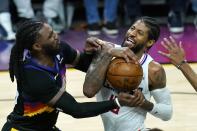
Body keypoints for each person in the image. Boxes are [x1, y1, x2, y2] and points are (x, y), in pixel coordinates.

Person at [1, 19, 141, 131]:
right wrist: (117, 102)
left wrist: (89, 52)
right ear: (37, 46)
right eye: (50, 36)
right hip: (22, 129)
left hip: (46, 127)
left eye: (53, 31)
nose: (56, 36)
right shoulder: (35, 78)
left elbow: (85, 65)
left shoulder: (59, 48)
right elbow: (77, 110)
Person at [83, 16, 173, 131]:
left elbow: (167, 113)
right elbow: (88, 91)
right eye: (132, 28)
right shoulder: (107, 51)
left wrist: (144, 103)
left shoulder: (153, 70)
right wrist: (107, 53)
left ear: (149, 42)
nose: (132, 33)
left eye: (139, 33)